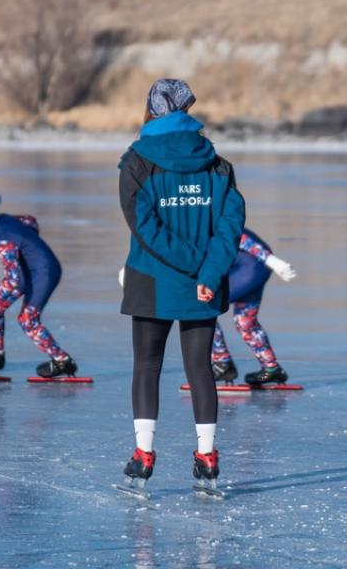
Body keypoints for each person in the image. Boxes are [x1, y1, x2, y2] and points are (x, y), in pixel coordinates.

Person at [118, 78, 246, 495]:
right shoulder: (218, 165)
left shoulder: (136, 161)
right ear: (187, 109)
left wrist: (195, 269)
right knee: (200, 368)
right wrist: (207, 273)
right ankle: (207, 457)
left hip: (152, 282)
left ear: (151, 111)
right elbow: (231, 227)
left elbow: (145, 229)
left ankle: (143, 456)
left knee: (147, 366)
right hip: (203, 287)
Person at [0, 188, 77, 379]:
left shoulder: (2, 238)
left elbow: (13, 280)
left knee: (27, 320)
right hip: (29, 271)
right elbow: (30, 221)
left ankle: (63, 361)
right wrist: (29, 246)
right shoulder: (2, 220)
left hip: (44, 273)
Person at [209, 227, 296, 386]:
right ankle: (271, 369)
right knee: (245, 322)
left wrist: (270, 259)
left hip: (249, 267)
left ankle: (222, 362)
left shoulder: (204, 213)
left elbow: (236, 234)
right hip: (255, 267)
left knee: (201, 309)